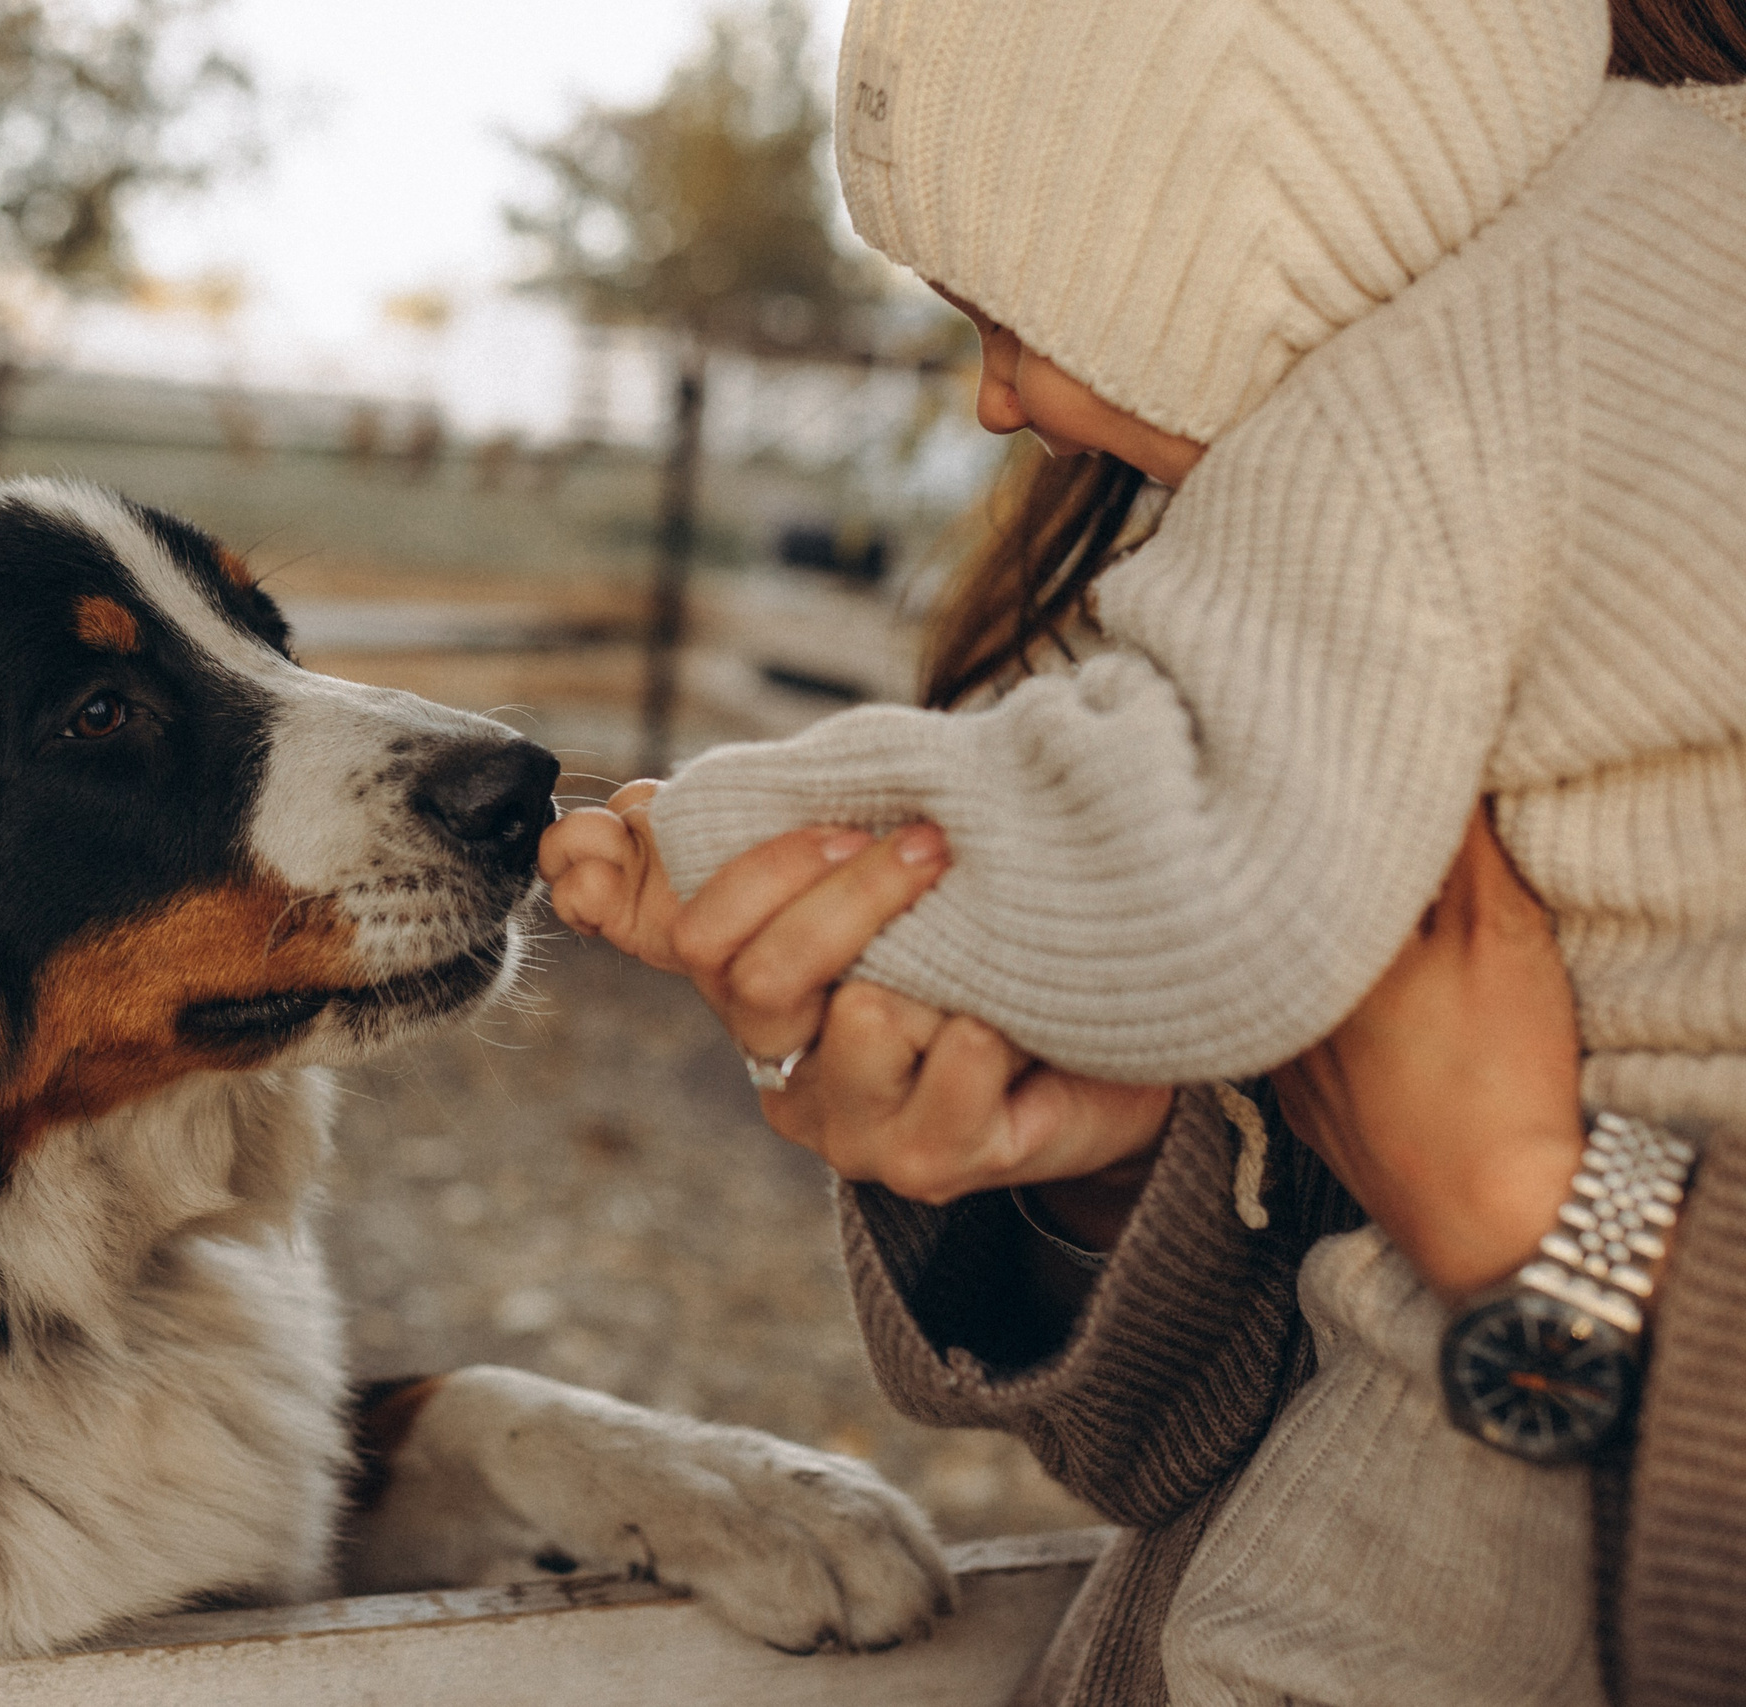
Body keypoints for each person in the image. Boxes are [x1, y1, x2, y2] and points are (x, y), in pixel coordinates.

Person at [542, 0, 1746, 1699]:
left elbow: (1211, 876)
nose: (989, 402)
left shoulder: (1419, 406)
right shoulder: (1622, 244)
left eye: (1007, 316)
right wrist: (1104, 1172)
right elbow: (1173, 1442)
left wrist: (1548, 1246)